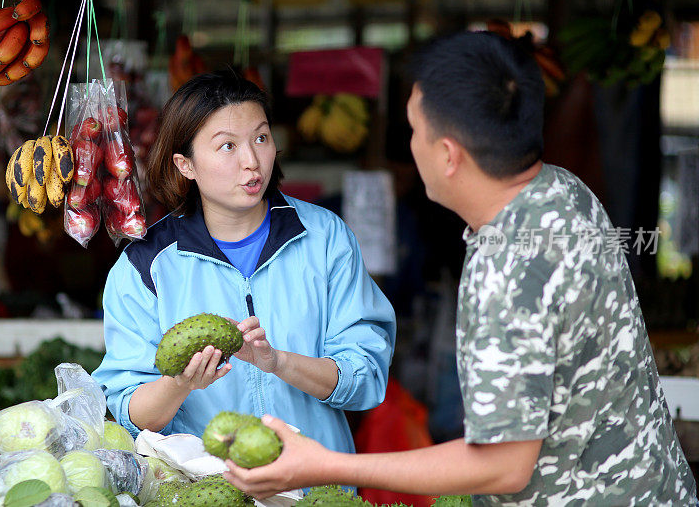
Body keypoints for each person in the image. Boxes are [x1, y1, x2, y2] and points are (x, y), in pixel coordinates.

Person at [224, 32, 699, 505]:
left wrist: (325, 464)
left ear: (449, 155)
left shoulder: (507, 268)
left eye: (414, 131)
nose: (410, 148)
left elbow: (503, 465)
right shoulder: (562, 191)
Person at [91, 69, 396, 460]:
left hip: (317, 488)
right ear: (186, 165)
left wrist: (279, 362)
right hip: (206, 493)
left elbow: (367, 374)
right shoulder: (145, 265)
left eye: (261, 138)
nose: (252, 161)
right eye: (227, 146)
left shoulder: (324, 238)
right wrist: (180, 384)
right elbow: (125, 409)